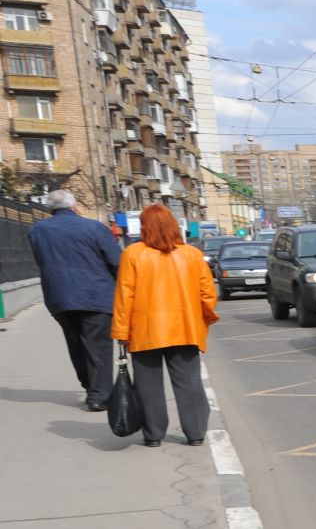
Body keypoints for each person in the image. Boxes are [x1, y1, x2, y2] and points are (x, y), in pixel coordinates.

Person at [111, 205, 218, 448]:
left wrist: (121, 331)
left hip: (144, 329)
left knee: (148, 385)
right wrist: (203, 320)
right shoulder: (191, 254)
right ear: (173, 224)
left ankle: (153, 435)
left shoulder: (132, 254)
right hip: (185, 327)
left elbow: (124, 296)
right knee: (189, 383)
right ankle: (196, 433)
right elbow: (208, 294)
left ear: (144, 226)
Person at [28, 190, 123, 411]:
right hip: (95, 295)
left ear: (50, 209)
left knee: (76, 343)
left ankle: (91, 386)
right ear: (75, 207)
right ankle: (99, 396)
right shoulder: (94, 227)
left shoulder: (37, 231)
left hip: (58, 296)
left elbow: (41, 260)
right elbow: (116, 261)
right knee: (97, 345)